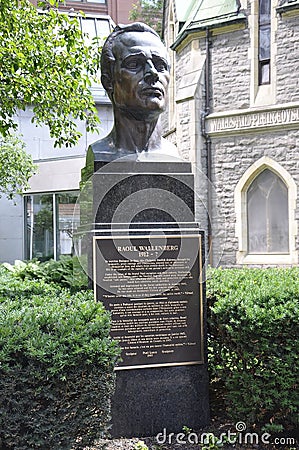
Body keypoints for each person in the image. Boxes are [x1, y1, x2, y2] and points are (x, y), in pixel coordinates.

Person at [89, 22, 178, 161]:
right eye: (134, 64)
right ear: (108, 82)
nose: (153, 73)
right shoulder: (100, 153)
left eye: (160, 65)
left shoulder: (173, 156)